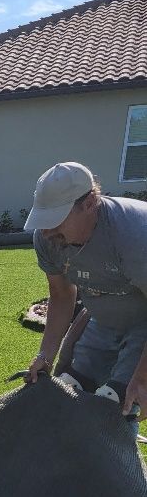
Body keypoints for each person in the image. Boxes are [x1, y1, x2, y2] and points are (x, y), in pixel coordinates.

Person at [23, 161, 147, 431]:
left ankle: (121, 470)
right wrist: (45, 355)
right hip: (103, 318)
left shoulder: (135, 234)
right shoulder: (47, 239)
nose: (46, 231)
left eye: (56, 219)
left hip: (144, 320)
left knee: (120, 401)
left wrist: (144, 377)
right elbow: (61, 294)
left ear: (90, 202)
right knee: (71, 388)